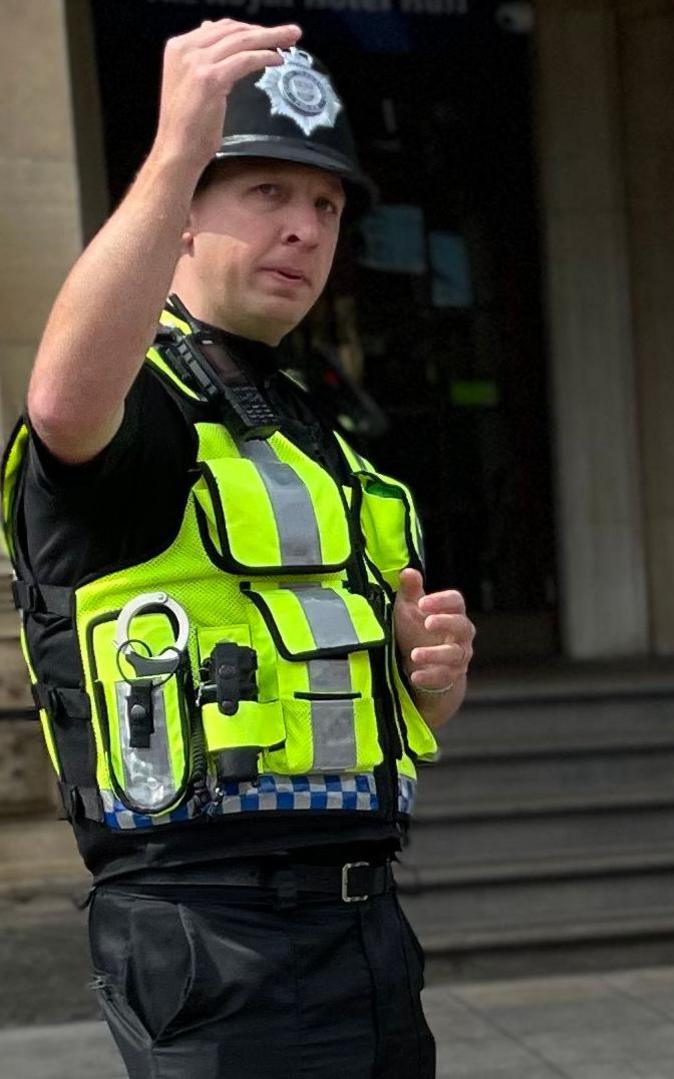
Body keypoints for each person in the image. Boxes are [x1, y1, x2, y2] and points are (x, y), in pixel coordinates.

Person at [4, 21, 473, 1077]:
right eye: (265, 191)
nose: (304, 228)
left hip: (363, 919)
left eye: (326, 204)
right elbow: (63, 404)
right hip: (212, 931)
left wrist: (421, 685)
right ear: (177, 218)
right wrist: (177, 146)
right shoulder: (143, 406)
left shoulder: (307, 421)